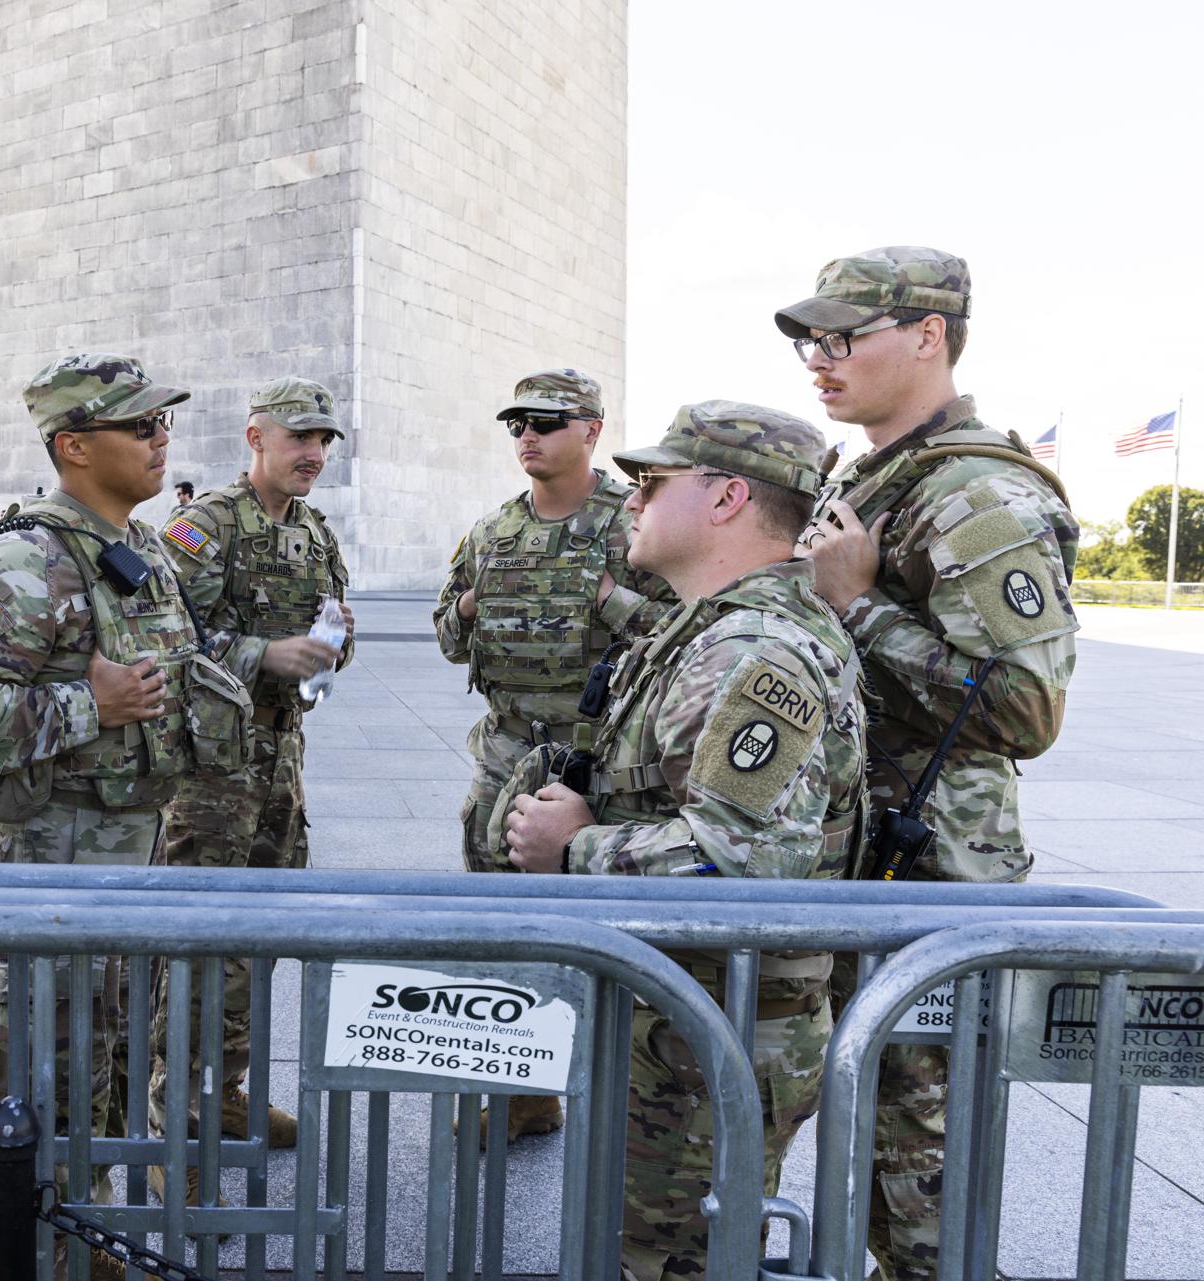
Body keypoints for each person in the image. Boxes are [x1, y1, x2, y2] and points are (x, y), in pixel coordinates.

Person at [0, 353, 245, 1279]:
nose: (162, 438)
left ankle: (89, 1239)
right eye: (141, 426)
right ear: (74, 445)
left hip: (127, 862)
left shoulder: (135, 546)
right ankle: (47, 1246)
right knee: (54, 1075)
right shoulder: (25, 556)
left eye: (164, 423)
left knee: (112, 1067)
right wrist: (92, 707)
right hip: (51, 871)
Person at [500, 402, 867, 1281]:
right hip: (683, 1023)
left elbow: (741, 860)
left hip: (710, 1044)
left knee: (667, 1261)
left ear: (728, 497)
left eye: (653, 482)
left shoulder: (753, 648)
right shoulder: (708, 627)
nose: (631, 499)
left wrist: (575, 845)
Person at [777, 246, 1078, 1281]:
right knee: (866, 1147)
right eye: (811, 340)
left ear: (927, 336)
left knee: (917, 1176)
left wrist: (859, 607)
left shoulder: (975, 496)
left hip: (936, 876)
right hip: (866, 864)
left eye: (842, 336)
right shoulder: (869, 476)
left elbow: (1026, 707)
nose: (819, 358)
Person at [430, 367, 673, 1142]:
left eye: (546, 420)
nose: (527, 434)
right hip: (506, 758)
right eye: (516, 423)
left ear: (592, 430)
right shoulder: (494, 531)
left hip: (599, 766)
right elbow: (445, 633)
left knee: (610, 939)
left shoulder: (633, 523)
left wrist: (610, 599)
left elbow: (686, 636)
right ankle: (523, 1093)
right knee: (503, 930)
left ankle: (633, 1105)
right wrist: (470, 605)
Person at [146, 376, 351, 1193]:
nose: (314, 453)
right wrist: (258, 654)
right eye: (299, 436)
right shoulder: (204, 528)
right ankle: (168, 1123)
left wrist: (333, 645)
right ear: (254, 436)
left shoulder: (314, 532)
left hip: (278, 768)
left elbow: (329, 626)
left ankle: (222, 1091)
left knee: (257, 943)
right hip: (207, 778)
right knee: (197, 946)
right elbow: (160, 637)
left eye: (325, 440)